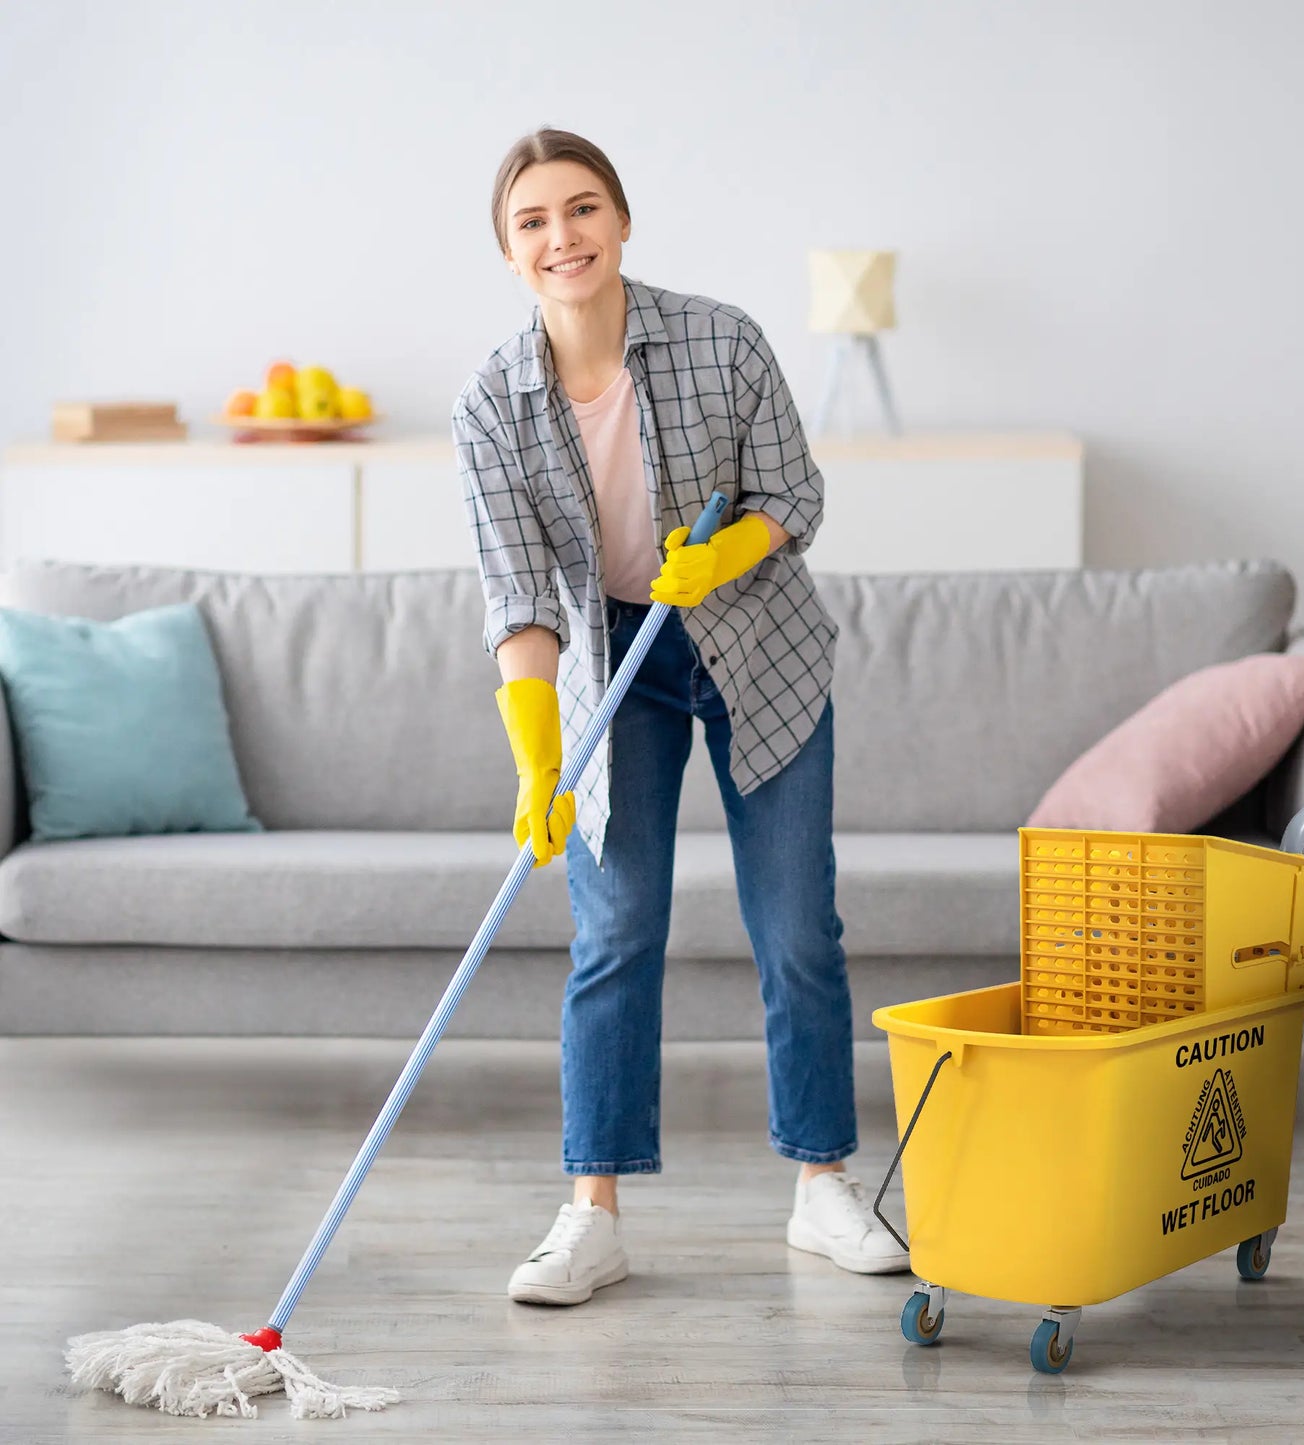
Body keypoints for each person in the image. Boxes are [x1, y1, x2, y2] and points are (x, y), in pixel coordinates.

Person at [452, 127, 907, 1307]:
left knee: (795, 926)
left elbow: (794, 494)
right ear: (507, 252)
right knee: (614, 932)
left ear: (621, 220)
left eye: (582, 208)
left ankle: (822, 1183)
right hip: (615, 664)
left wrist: (726, 554)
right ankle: (591, 1213)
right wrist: (536, 759)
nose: (563, 236)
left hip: (758, 644)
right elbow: (518, 597)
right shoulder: (491, 404)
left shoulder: (722, 338)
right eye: (533, 221)